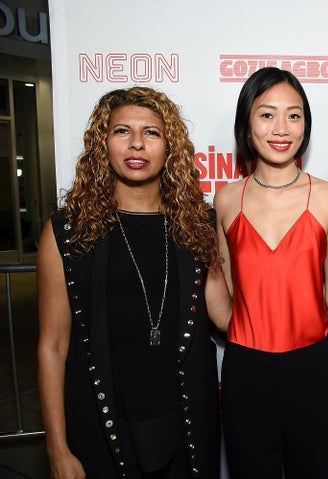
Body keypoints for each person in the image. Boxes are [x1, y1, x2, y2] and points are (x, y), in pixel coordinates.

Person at [37, 86, 231, 479]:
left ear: (169, 147)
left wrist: (313, 319)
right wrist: (57, 448)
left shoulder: (199, 224)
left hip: (187, 428)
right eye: (122, 131)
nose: (137, 143)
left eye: (152, 133)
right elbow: (53, 346)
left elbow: (228, 318)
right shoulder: (68, 232)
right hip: (102, 427)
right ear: (102, 144)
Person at [214, 66, 328, 479]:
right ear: (247, 122)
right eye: (267, 114)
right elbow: (225, 292)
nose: (281, 128)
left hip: (313, 371)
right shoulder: (225, 199)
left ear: (305, 125)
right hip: (245, 372)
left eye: (294, 115)